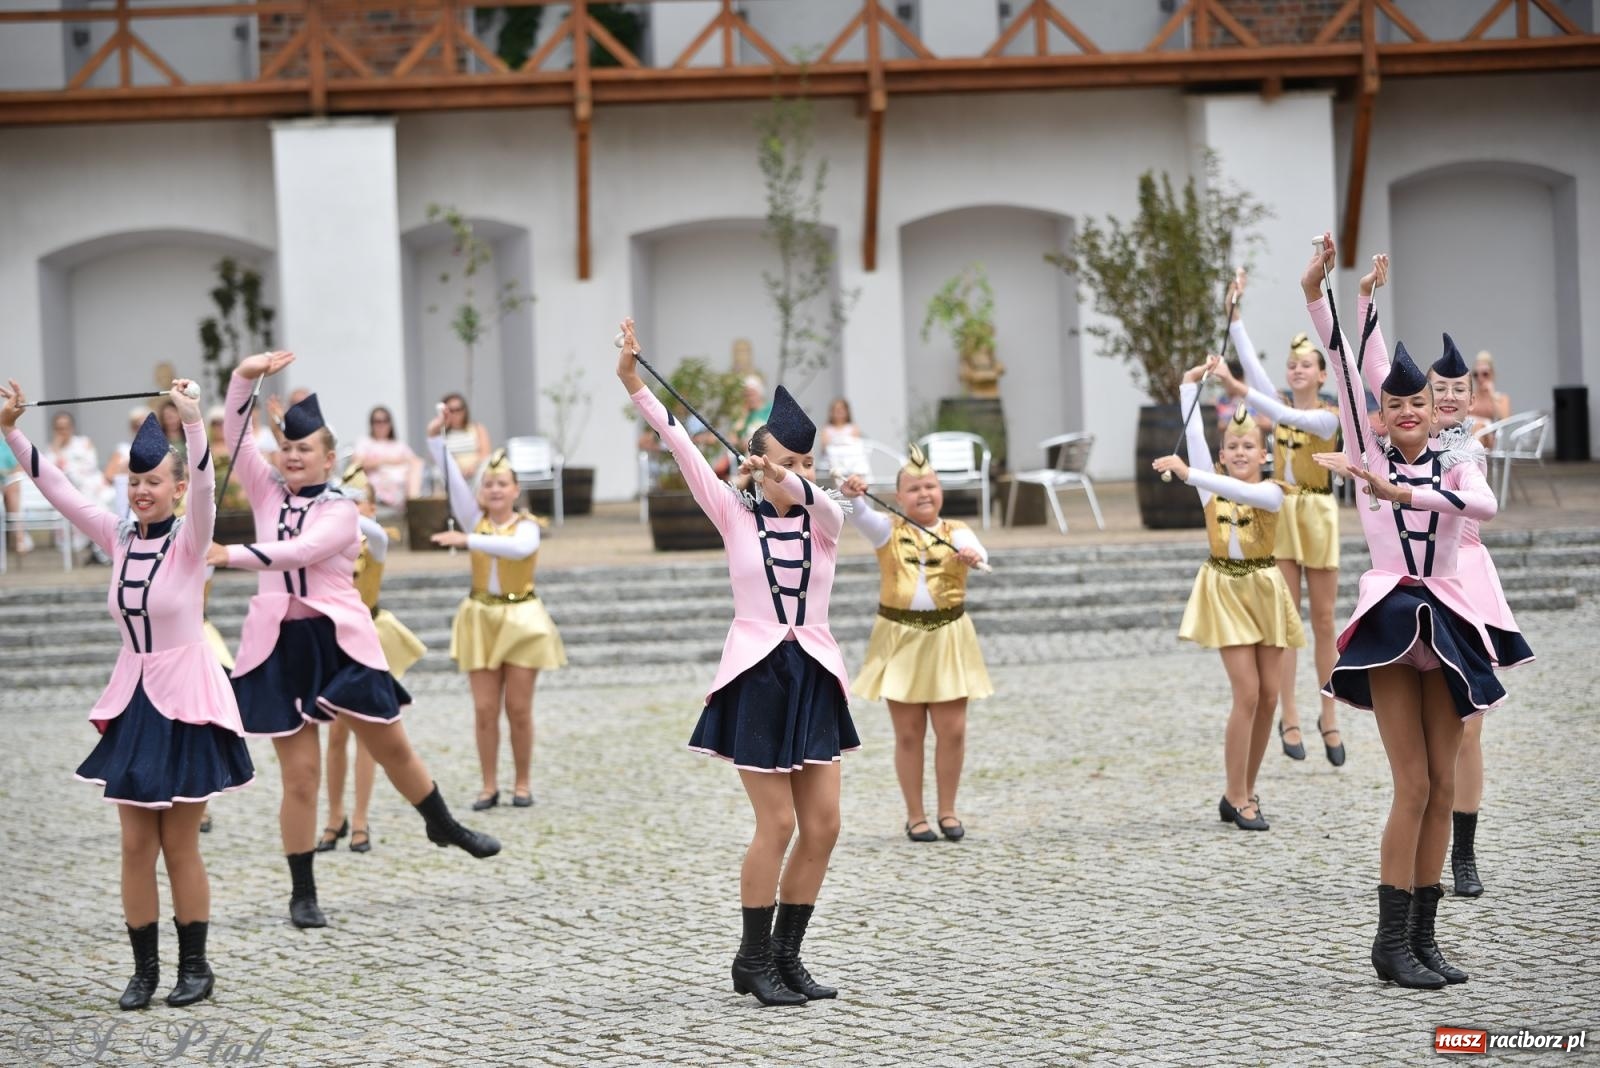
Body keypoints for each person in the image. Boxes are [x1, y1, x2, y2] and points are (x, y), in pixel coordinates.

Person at [210, 352, 499, 930]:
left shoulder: (342, 511)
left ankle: (441, 822)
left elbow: (301, 552)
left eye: (305, 449)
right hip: (278, 646)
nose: (292, 457)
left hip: (339, 641)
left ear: (328, 457)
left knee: (391, 748)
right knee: (300, 777)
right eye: (286, 449)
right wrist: (246, 372)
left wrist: (231, 554)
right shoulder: (267, 494)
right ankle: (303, 890)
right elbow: (234, 431)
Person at [617, 317, 858, 1007]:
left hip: (813, 673)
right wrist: (634, 379)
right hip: (758, 675)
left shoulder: (825, 520)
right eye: (787, 459)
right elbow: (676, 438)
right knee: (777, 823)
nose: (799, 474)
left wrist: (787, 475)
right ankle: (750, 962)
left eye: (807, 462)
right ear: (752, 460)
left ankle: (788, 958)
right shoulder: (733, 514)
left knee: (825, 825)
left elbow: (818, 499)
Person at [1, 379, 254, 1010]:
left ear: (172, 486)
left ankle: (195, 967)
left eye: (155, 482)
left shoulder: (192, 539)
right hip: (135, 700)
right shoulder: (117, 535)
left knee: (179, 844)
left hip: (187, 699)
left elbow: (203, 486)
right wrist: (9, 429)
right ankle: (143, 970)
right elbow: (56, 487)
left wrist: (194, 422)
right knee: (136, 845)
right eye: (135, 483)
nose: (143, 491)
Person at [1304, 234, 1504, 989]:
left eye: (1418, 403)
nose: (1407, 412)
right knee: (1413, 784)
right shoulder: (1369, 451)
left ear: (1435, 409)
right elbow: (1350, 365)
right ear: (1382, 417)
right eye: (1394, 405)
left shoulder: (1457, 462)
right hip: (1392, 618)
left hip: (1449, 617)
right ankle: (1389, 944)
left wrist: (1410, 495)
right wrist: (1342, 296)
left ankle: (1424, 938)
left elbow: (1482, 504)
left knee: (1447, 787)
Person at [1380, 333, 1534, 899]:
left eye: (1456, 389)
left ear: (1472, 400)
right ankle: (1423, 846)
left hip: (1466, 578)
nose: (1446, 396)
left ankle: (1462, 851)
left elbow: (1481, 506)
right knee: (1429, 735)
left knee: (1470, 726)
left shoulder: (1465, 453)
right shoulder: (1406, 437)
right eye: (1437, 388)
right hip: (1419, 583)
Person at [1154, 358, 1304, 832]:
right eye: (1231, 446)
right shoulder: (1211, 493)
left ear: (1264, 455)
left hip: (1265, 587)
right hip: (1227, 588)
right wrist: (1188, 385)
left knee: (1270, 699)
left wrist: (1188, 473)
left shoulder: (1275, 492)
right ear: (1222, 455)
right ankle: (1237, 795)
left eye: (1248, 445)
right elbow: (1195, 438)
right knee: (1248, 692)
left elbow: (1235, 488)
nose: (1239, 451)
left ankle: (1244, 788)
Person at [1222, 269, 1356, 767]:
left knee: (1324, 620)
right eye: (1291, 364)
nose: (1297, 370)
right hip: (1282, 510)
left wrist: (1238, 387)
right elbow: (1254, 375)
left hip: (1318, 515)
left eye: (1306, 364)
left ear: (1322, 374)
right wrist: (1234, 314)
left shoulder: (1327, 416)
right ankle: (1290, 714)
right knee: (1286, 619)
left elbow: (1285, 416)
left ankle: (1331, 713)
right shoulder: (1275, 404)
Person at [838, 446, 990, 843]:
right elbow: (857, 513)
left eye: (931, 486)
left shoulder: (957, 530)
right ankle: (915, 815)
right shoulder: (887, 528)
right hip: (899, 637)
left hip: (947, 637)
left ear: (941, 490)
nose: (924, 493)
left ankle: (948, 810)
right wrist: (851, 492)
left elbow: (979, 550)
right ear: (899, 496)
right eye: (914, 488)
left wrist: (973, 555)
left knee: (952, 730)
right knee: (908, 734)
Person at [426, 425, 565, 811]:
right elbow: (454, 482)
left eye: (502, 483)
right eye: (488, 484)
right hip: (480, 616)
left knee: (518, 709)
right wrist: (436, 441)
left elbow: (519, 551)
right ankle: (488, 785)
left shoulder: (526, 528)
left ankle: (522, 782)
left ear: (516, 490)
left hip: (521, 617)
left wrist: (466, 541)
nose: (495, 490)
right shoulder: (475, 520)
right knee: (485, 709)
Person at [319, 462, 428, 854]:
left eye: (359, 501)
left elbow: (376, 535)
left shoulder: (376, 538)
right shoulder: (326, 540)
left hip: (368, 636)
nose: (351, 508)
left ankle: (361, 819)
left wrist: (336, 506)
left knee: (367, 733)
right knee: (334, 734)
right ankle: (335, 816)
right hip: (332, 638)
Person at [47, 410, 113, 560]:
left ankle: (102, 549)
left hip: (90, 486)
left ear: (72, 427)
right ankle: (96, 549)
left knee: (104, 501)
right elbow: (51, 474)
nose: (63, 431)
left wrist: (69, 468)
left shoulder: (84, 442)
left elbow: (90, 465)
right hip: (66, 491)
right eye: (59, 428)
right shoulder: (52, 450)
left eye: (66, 427)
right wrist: (57, 451)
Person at [354, 405, 423, 511]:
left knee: (417, 467)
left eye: (385, 420)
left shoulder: (399, 445)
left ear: (390, 423)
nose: (381, 424)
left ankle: (413, 503)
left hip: (402, 486)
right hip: (377, 489)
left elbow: (416, 461)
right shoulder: (365, 442)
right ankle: (413, 507)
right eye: (377, 421)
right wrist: (385, 460)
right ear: (371, 424)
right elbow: (356, 465)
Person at [440, 393, 492, 480]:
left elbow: (485, 453)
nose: (455, 413)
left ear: (464, 410)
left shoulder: (477, 428)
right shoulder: (441, 432)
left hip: (477, 470)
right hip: (452, 471)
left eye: (458, 409)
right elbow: (437, 455)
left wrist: (473, 467)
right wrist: (455, 467)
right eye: (451, 410)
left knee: (486, 467)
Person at [1468, 351, 1512, 446]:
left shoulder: (1501, 398)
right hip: (1466, 434)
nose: (1480, 378)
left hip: (1486, 437)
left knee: (1479, 427)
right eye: (1476, 374)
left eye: (1485, 374)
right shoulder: (1469, 396)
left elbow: (1505, 420)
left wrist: (1492, 395)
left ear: (1492, 374)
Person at [734, 374, 773, 447]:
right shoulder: (745, 414)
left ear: (760, 393)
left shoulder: (771, 410)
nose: (749, 398)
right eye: (746, 395)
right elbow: (734, 437)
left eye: (752, 394)